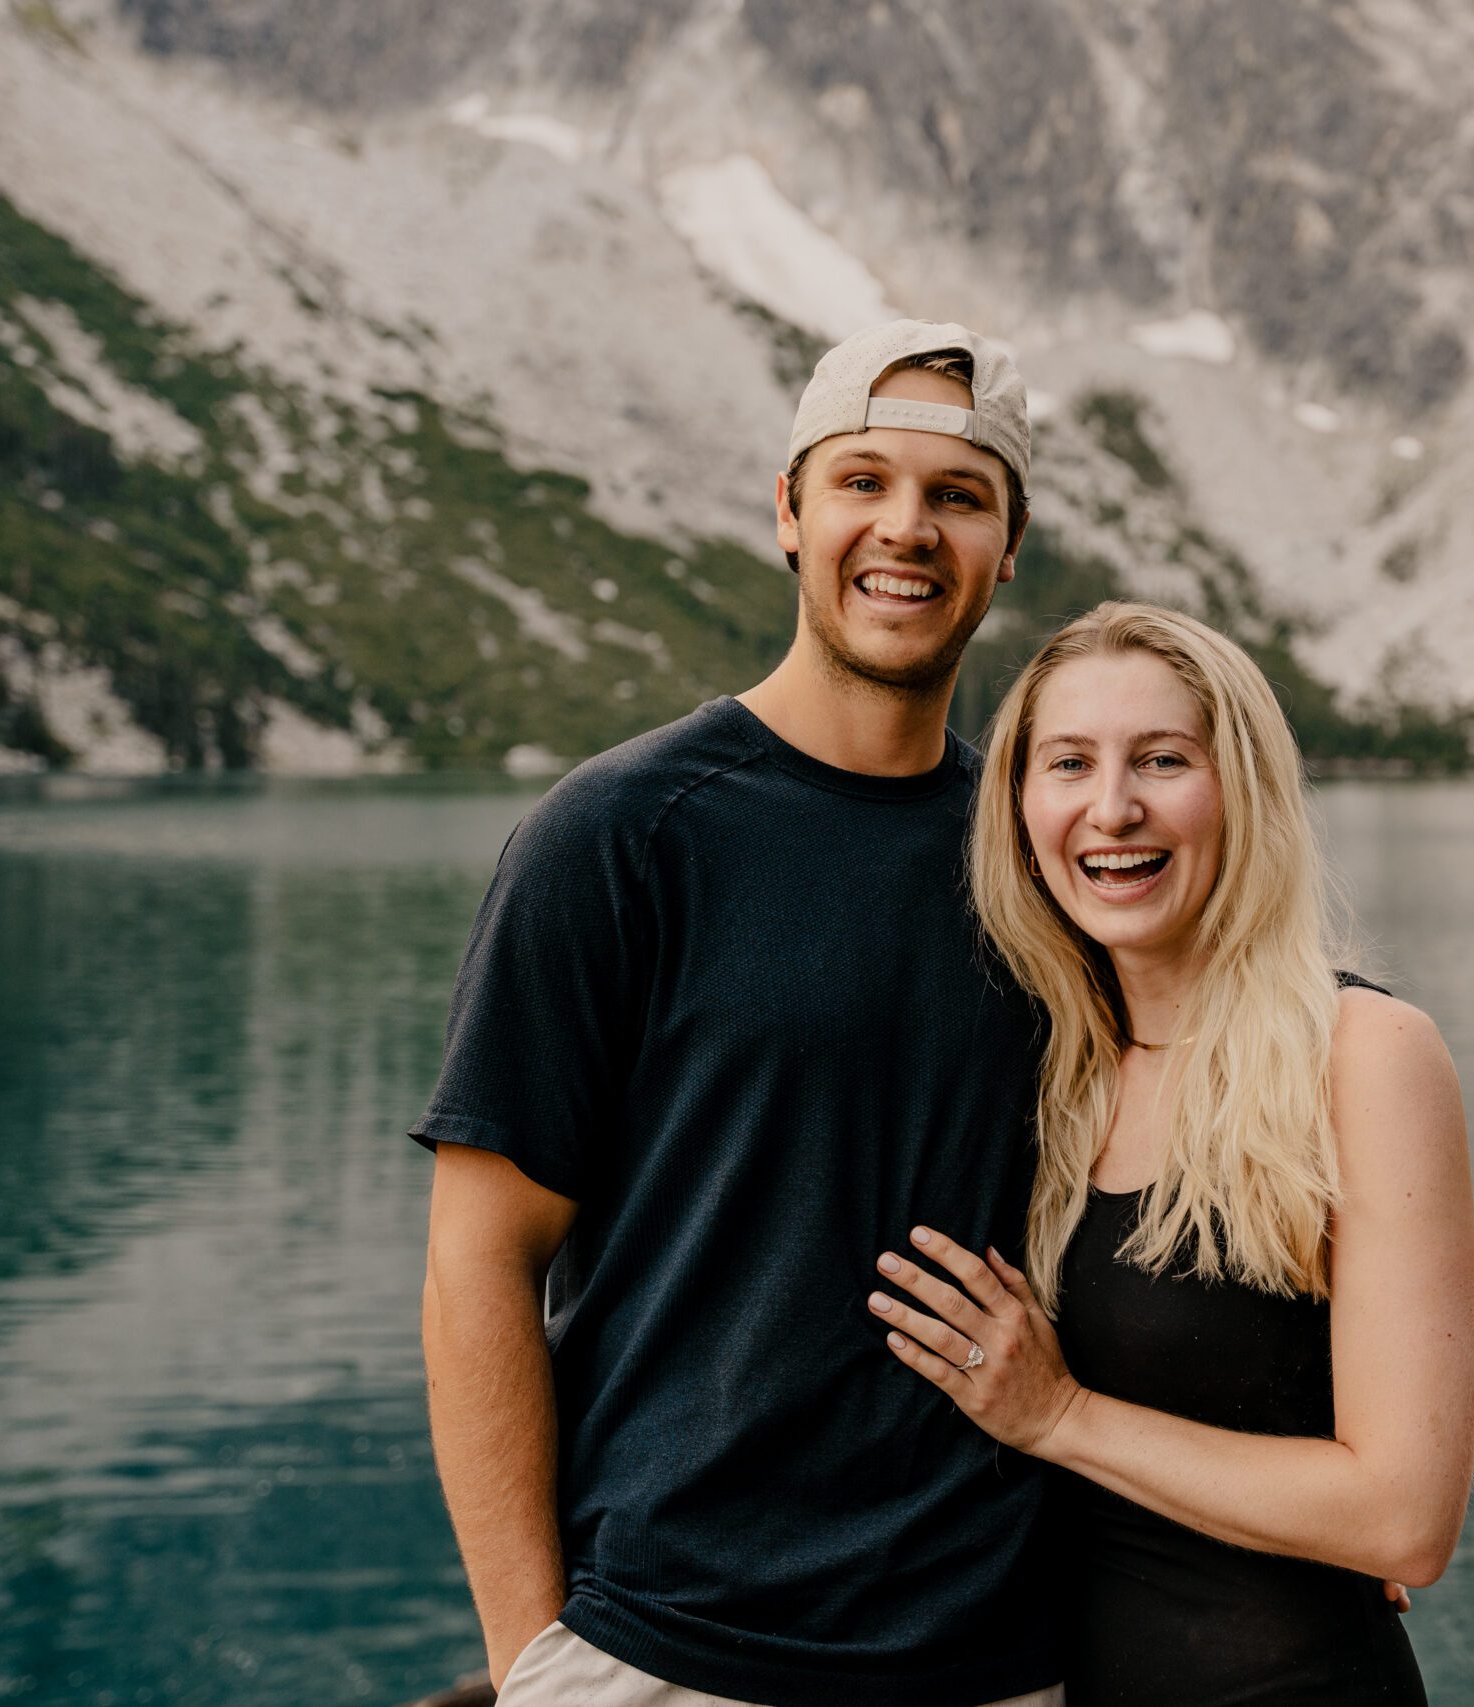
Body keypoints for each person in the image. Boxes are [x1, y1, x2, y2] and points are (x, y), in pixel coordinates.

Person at [413, 319, 1067, 1707]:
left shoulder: (1041, 857)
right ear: (787, 511)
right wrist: (535, 1661)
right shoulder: (619, 832)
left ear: (1009, 547)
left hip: (994, 1660)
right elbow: (479, 1262)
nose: (907, 529)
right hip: (664, 1653)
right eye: (862, 483)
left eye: (958, 495)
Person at [865, 602, 1474, 1706]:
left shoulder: (1362, 1058)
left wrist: (1062, 1418)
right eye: (1068, 763)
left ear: (1240, 789)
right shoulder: (1038, 1071)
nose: (1112, 808)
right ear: (1017, 807)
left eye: (1162, 759)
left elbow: (1404, 1519)